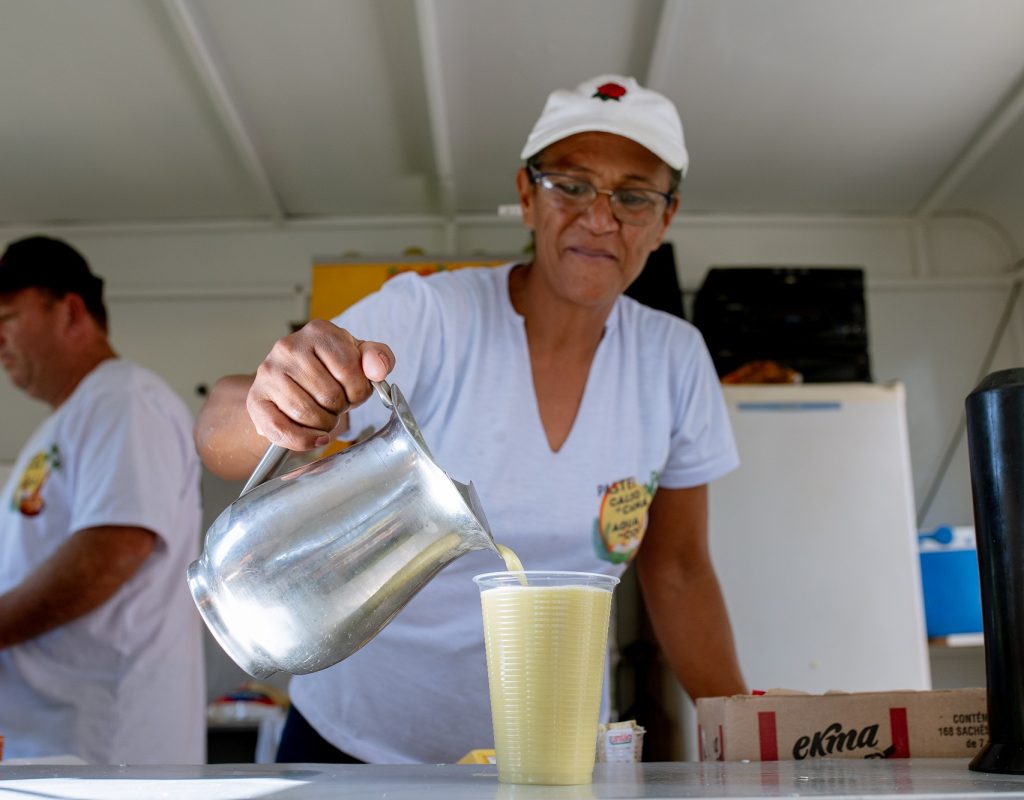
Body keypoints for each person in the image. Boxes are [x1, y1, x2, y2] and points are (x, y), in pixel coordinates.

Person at [195, 74, 747, 764]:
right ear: (527, 195)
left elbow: (681, 570)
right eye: (570, 186)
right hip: (356, 748)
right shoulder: (431, 316)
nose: (600, 218)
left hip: (553, 752)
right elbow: (223, 428)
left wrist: (744, 731)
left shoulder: (674, 359)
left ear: (665, 219)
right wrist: (271, 401)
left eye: (634, 196)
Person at [0, 236, 205, 764]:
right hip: (59, 746)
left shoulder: (123, 398)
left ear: (69, 311)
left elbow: (113, 547)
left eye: (8, 316)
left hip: (106, 754)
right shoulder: (72, 417)